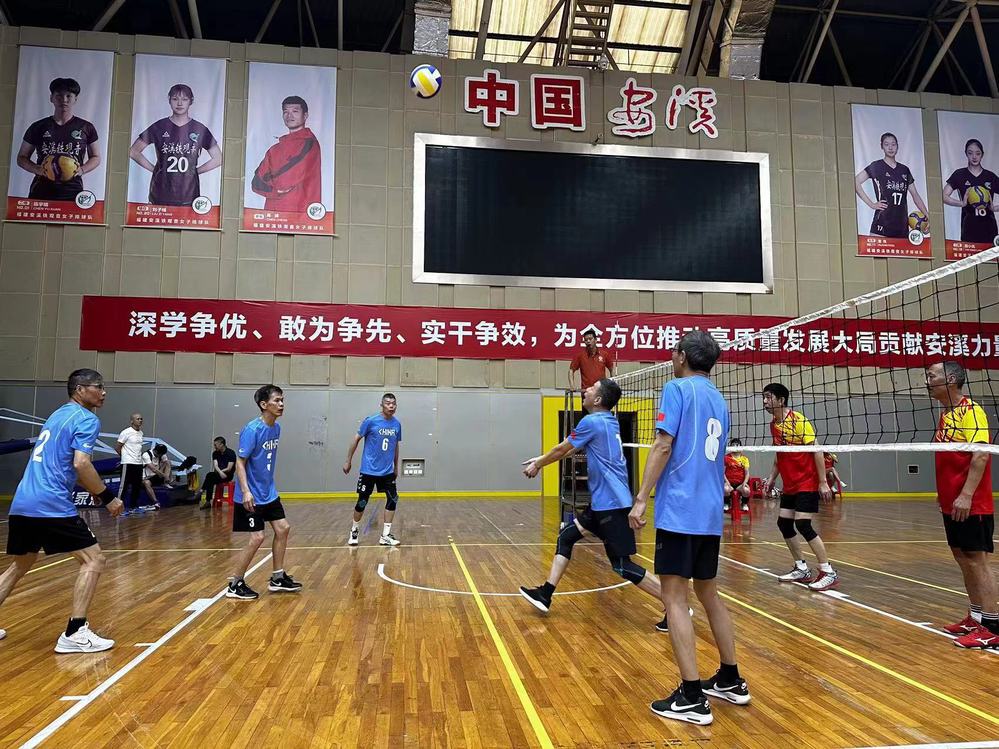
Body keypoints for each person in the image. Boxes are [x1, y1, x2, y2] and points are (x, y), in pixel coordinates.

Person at [629, 331, 749, 725]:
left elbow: (663, 445)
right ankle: (730, 678)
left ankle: (692, 696)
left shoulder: (676, 388)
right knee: (708, 592)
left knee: (674, 598)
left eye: (673, 351)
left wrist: (642, 497)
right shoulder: (719, 399)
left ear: (681, 356)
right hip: (709, 512)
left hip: (681, 510)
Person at [519, 378, 675, 632]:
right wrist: (542, 458)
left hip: (612, 505)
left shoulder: (592, 422)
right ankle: (545, 594)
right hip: (602, 504)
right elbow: (569, 449)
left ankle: (675, 606)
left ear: (599, 399)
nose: (586, 390)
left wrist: (538, 465)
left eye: (591, 389)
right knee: (566, 537)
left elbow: (561, 449)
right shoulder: (607, 421)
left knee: (622, 566)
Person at [0, 369, 123, 651]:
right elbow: (81, 463)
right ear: (80, 389)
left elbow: (68, 467)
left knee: (20, 565)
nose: (103, 392)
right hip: (50, 502)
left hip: (23, 501)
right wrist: (108, 497)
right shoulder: (86, 418)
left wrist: (91, 489)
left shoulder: (56, 416)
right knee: (94, 560)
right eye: (98, 386)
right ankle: (75, 633)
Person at [925, 361, 998, 649]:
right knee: (962, 558)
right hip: (951, 503)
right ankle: (976, 617)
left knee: (977, 561)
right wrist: (944, 493)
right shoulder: (946, 414)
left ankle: (992, 626)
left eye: (932, 376)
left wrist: (966, 494)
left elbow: (981, 455)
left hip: (972, 504)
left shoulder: (972, 412)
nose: (927, 381)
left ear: (951, 379)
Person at [226, 385, 303, 600]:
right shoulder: (252, 430)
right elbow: (240, 462)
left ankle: (277, 578)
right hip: (250, 495)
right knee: (257, 537)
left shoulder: (276, 428)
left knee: (283, 528)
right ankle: (235, 584)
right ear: (263, 404)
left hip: (268, 492)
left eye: (282, 400)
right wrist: (245, 491)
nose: (281, 404)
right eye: (277, 400)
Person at [761, 383, 838, 591]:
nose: (765, 401)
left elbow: (817, 450)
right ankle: (802, 568)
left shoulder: (799, 420)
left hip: (807, 481)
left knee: (803, 524)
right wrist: (772, 478)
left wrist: (822, 482)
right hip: (790, 484)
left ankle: (828, 571)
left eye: (768, 397)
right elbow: (780, 455)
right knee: (784, 524)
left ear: (781, 400)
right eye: (764, 397)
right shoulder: (773, 424)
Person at [128, 83, 222, 207]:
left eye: (184, 99)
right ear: (169, 100)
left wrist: (195, 171)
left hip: (188, 194)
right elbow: (133, 151)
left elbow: (218, 158)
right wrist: (155, 169)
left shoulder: (199, 129)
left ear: (191, 101)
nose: (179, 103)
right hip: (160, 193)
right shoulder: (159, 126)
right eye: (175, 99)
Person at [16, 77, 101, 201]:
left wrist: (82, 170)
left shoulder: (86, 127)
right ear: (51, 98)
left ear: (75, 99)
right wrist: (38, 169)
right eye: (59, 96)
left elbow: (96, 157)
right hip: (41, 190)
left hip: (73, 190)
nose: (64, 100)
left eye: (69, 96)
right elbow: (21, 157)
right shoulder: (38, 126)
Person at [343, 393, 402, 547]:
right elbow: (356, 439)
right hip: (369, 470)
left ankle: (385, 535)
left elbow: (395, 446)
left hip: (387, 471)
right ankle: (354, 530)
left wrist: (396, 466)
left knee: (393, 499)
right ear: (381, 405)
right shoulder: (371, 421)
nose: (391, 406)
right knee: (362, 501)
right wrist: (348, 460)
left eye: (393, 403)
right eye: (388, 403)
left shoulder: (397, 424)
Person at [250, 95, 321, 212]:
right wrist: (273, 188)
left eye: (295, 111)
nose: (289, 116)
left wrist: (269, 184)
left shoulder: (309, 144)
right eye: (286, 112)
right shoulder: (274, 150)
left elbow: (285, 181)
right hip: (272, 216)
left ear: (305, 116)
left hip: (299, 214)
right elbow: (256, 183)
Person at [855, 132, 930, 239]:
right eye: (886, 144)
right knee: (877, 249)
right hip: (882, 222)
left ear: (897, 146)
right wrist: (871, 204)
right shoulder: (877, 166)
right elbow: (856, 181)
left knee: (901, 250)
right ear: (882, 146)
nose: (890, 147)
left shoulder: (904, 170)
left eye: (893, 144)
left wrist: (927, 215)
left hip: (901, 225)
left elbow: (915, 195)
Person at [943, 138, 998, 245]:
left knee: (990, 255)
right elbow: (944, 196)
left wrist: (995, 208)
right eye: (970, 153)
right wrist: (961, 203)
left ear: (982, 155)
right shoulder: (960, 174)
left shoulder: (990, 176)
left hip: (989, 229)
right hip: (969, 228)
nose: (974, 157)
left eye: (977, 153)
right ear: (966, 154)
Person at [568, 329, 616, 398]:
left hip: (601, 391)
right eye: (586, 340)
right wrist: (572, 386)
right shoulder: (580, 356)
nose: (588, 341)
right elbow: (571, 370)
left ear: (596, 340)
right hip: (586, 392)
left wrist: (612, 384)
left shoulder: (604, 354)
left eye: (590, 339)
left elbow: (611, 369)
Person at [116, 413, 146, 516]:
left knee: (136, 486)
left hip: (138, 463)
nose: (140, 420)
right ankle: (118, 509)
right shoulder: (126, 432)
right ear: (132, 421)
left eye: (141, 419)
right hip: (128, 463)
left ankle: (134, 507)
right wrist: (124, 458)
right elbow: (118, 447)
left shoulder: (141, 433)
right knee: (123, 486)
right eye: (138, 419)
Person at [198, 436, 237, 509]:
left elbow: (229, 468)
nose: (214, 447)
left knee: (210, 476)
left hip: (228, 475)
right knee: (210, 477)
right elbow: (215, 465)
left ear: (222, 444)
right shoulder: (215, 453)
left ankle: (204, 495)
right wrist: (220, 472)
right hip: (218, 474)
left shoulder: (231, 453)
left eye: (216, 445)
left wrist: (221, 472)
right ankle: (206, 499)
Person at [140, 443, 171, 510]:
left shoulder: (162, 454)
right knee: (147, 483)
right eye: (160, 454)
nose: (161, 456)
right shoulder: (146, 455)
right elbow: (153, 469)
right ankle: (156, 502)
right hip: (146, 477)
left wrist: (167, 476)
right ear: (156, 451)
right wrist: (164, 476)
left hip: (156, 475)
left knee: (168, 462)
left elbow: (167, 463)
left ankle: (166, 482)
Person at [723, 438, 751, 513]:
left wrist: (744, 483)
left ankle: (744, 504)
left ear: (740, 446)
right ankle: (727, 503)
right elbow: (722, 472)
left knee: (746, 491)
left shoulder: (744, 459)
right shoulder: (726, 458)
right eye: (733, 445)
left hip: (740, 484)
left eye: (737, 445)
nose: (735, 446)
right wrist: (727, 482)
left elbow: (747, 473)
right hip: (729, 483)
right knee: (725, 489)